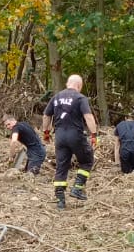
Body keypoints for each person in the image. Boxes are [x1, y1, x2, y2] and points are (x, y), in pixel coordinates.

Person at [42, 75, 98, 209]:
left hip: (60, 136)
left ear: (68, 83)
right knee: (87, 160)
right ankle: (77, 188)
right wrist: (94, 135)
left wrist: (46, 132)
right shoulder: (80, 98)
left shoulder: (56, 97)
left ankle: (60, 200)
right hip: (75, 135)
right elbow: (88, 116)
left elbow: (46, 115)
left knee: (61, 166)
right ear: (79, 85)